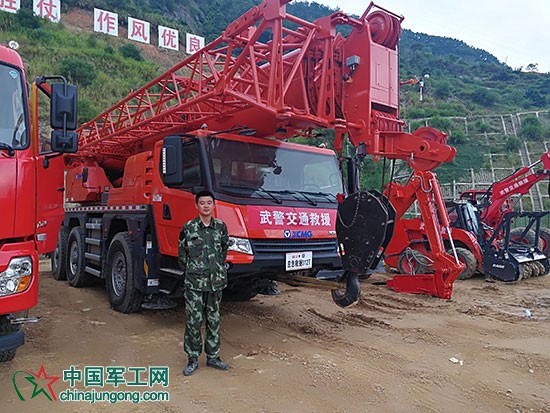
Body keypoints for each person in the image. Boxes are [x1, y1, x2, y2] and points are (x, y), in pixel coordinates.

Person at [178, 190, 230, 376]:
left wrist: (217, 269)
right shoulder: (188, 228)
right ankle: (192, 358)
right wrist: (194, 271)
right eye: (202, 203)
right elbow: (182, 255)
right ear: (196, 205)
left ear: (214, 205)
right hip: (195, 284)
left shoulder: (221, 227)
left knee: (214, 320)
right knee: (194, 321)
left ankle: (213, 356)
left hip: (215, 282)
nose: (206, 206)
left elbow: (224, 250)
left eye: (209, 203)